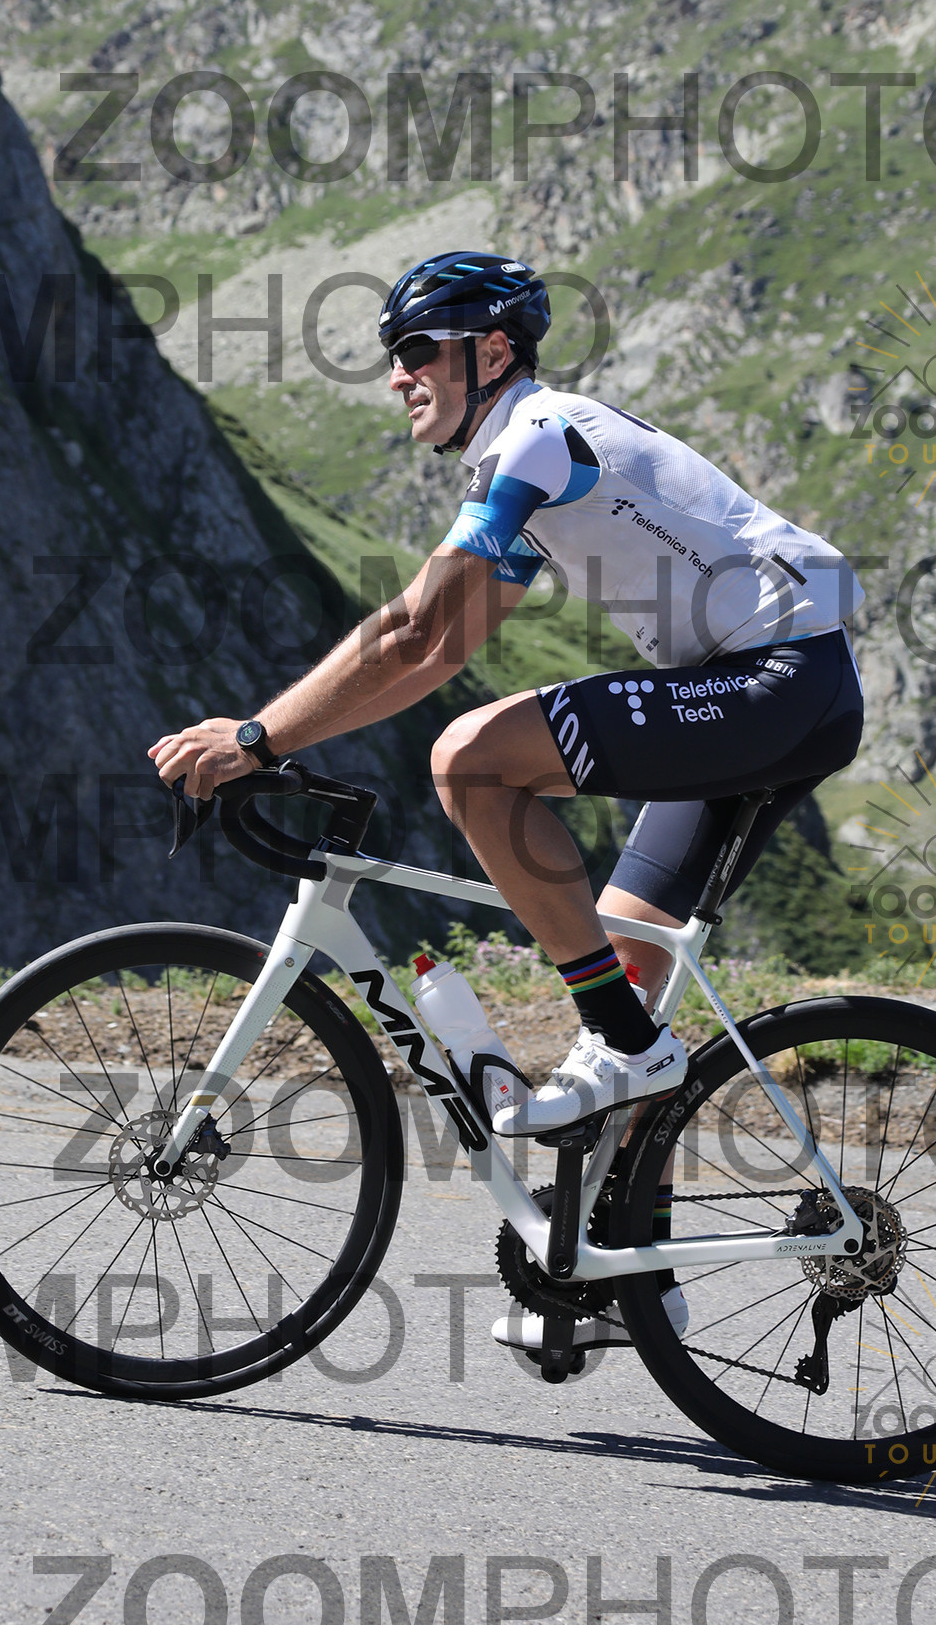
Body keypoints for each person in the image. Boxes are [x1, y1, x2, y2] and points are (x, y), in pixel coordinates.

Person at [150, 250, 865, 1351]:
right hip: (764, 686)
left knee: (471, 763)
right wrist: (287, 739)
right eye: (392, 357)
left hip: (776, 678)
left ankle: (624, 1048)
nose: (397, 376)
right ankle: (629, 1283)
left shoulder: (537, 436)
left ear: (490, 350)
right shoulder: (527, 471)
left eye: (414, 350)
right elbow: (439, 651)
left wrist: (255, 738)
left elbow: (408, 630)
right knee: (628, 971)